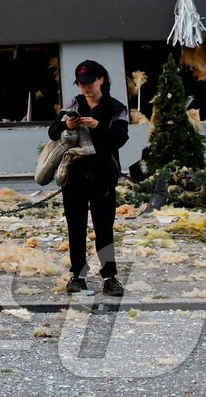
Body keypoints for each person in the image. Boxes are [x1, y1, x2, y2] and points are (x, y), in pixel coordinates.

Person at [48, 59, 129, 297]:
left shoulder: (116, 108)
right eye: (81, 83)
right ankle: (78, 275)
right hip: (73, 176)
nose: (85, 87)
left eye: (89, 82)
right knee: (76, 227)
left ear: (101, 79)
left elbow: (119, 139)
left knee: (104, 228)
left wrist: (96, 125)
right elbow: (52, 132)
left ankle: (110, 277)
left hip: (103, 176)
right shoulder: (73, 103)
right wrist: (66, 124)